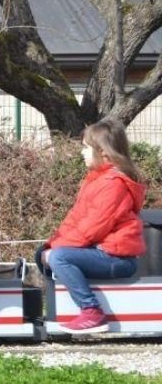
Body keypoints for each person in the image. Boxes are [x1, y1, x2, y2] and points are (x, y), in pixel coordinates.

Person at [43, 119, 146, 334]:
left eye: (85, 148)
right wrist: (51, 243)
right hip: (102, 252)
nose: (81, 153)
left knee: (60, 257)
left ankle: (92, 312)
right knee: (53, 254)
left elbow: (92, 228)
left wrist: (55, 250)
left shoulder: (113, 184)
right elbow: (76, 219)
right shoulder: (95, 180)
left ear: (104, 152)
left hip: (117, 259)